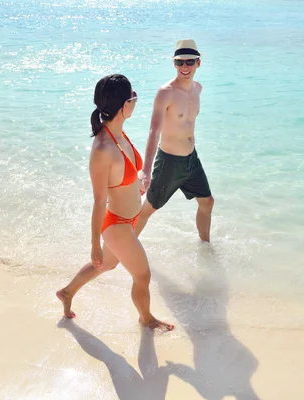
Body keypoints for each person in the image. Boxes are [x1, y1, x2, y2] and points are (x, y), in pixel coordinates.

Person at [56, 74, 174, 331]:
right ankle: (146, 319)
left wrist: (138, 184)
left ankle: (67, 292)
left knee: (107, 265)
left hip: (130, 219)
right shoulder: (102, 150)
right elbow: (99, 201)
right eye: (133, 97)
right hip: (117, 225)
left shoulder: (119, 134)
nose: (135, 101)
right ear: (123, 105)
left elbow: (122, 178)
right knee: (142, 275)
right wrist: (95, 244)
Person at [134, 39, 215, 242]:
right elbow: (153, 132)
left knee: (207, 202)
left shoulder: (198, 88)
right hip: (169, 162)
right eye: (180, 62)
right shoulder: (165, 93)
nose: (184, 67)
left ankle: (205, 246)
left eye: (189, 62)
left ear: (198, 63)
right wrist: (146, 170)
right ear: (174, 64)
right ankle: (124, 248)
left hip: (191, 159)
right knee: (148, 209)